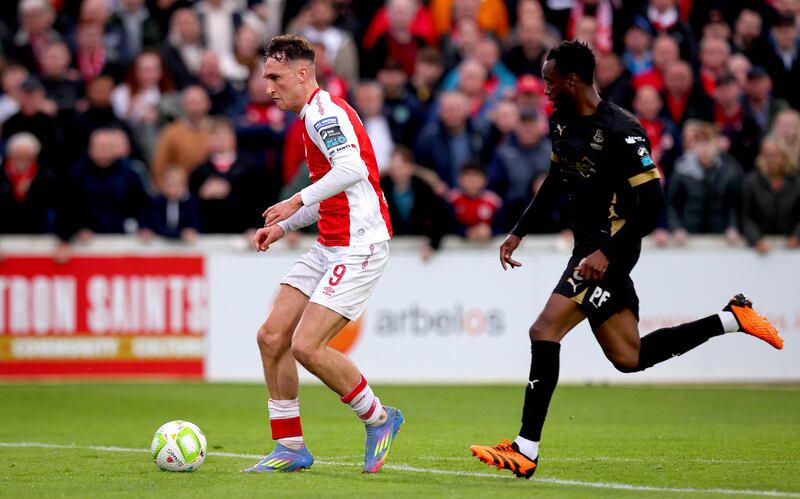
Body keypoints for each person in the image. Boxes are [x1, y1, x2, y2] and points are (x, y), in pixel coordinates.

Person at [469, 41, 783, 480]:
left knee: (544, 330)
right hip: (590, 248)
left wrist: (607, 253)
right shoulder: (560, 120)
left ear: (572, 80)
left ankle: (526, 448)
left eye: (549, 79)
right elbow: (557, 179)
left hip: (608, 249)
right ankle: (732, 318)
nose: (544, 87)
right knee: (628, 357)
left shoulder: (623, 129)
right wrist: (519, 229)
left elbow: (653, 204)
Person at [247, 35, 403, 474]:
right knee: (272, 336)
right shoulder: (312, 117)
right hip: (330, 242)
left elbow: (351, 169)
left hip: (360, 245)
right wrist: (283, 225)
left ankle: (380, 418)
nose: (268, 87)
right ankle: (290, 447)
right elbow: (335, 190)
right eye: (264, 78)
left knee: (306, 345)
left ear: (302, 72)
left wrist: (293, 202)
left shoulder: (323, 114)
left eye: (275, 77)